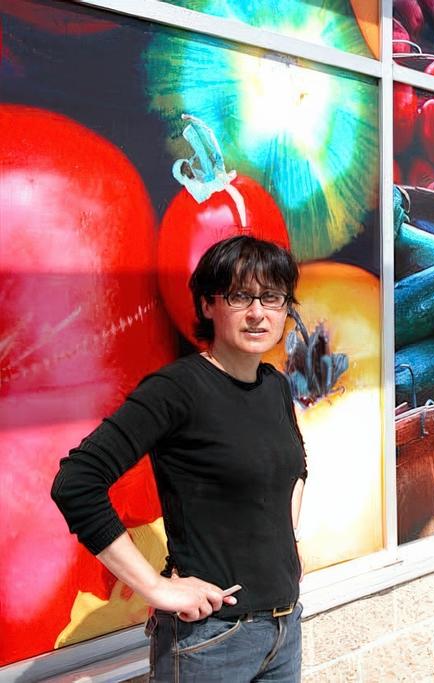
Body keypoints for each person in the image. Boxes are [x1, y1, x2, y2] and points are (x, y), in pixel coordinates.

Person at [51, 235, 307, 682]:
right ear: (208, 305)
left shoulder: (275, 384)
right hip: (211, 641)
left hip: (284, 629)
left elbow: (296, 468)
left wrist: (288, 548)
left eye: (272, 297)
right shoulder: (177, 389)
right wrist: (153, 587)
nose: (257, 312)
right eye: (239, 296)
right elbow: (77, 481)